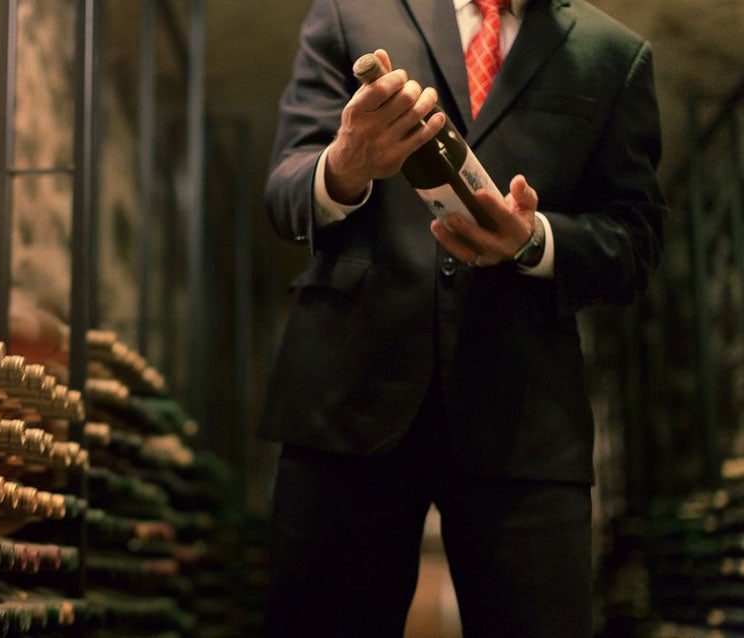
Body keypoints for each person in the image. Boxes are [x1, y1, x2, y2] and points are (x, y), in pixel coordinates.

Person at [259, 0, 666, 636]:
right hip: (348, 399)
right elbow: (284, 189)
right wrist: (344, 166)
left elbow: (635, 243)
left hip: (525, 417)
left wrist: (536, 241)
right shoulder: (350, 14)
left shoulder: (615, 55)